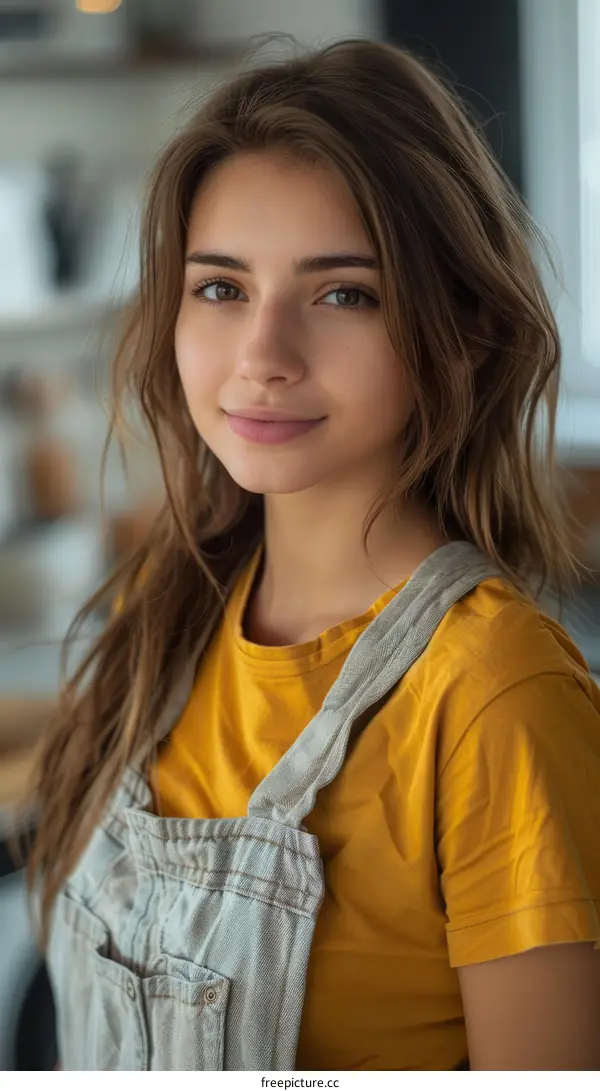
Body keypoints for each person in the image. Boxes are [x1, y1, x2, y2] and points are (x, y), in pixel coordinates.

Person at [13, 37, 600, 1071]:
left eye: (343, 295)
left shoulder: (496, 695)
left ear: (461, 332)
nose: (264, 357)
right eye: (221, 289)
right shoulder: (170, 600)